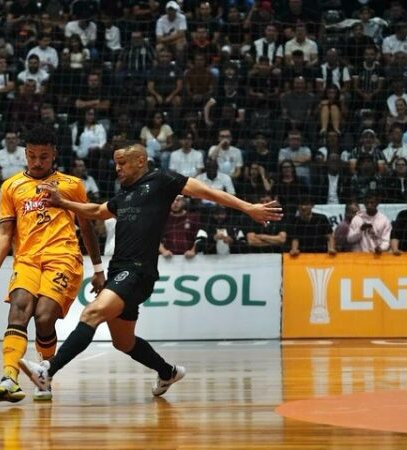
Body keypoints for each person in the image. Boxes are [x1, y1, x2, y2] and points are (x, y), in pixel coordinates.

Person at [19, 144, 281, 397]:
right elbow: (97, 211)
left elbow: (207, 192)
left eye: (122, 163)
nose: (117, 168)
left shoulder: (162, 180)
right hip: (120, 270)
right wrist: (62, 202)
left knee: (92, 313)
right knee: (123, 342)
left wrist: (248, 207)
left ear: (140, 161)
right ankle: (167, 372)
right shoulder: (124, 193)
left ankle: (48, 370)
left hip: (138, 271)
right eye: (115, 164)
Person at [0, 126, 105, 403]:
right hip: (26, 258)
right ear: (25, 154)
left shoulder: (72, 185)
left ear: (54, 155)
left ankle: (45, 374)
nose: (37, 163)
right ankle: (9, 377)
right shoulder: (11, 186)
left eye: (44, 157)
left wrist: (98, 270)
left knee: (45, 317)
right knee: (19, 309)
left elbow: (87, 228)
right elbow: (4, 233)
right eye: (33, 156)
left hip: (63, 258)